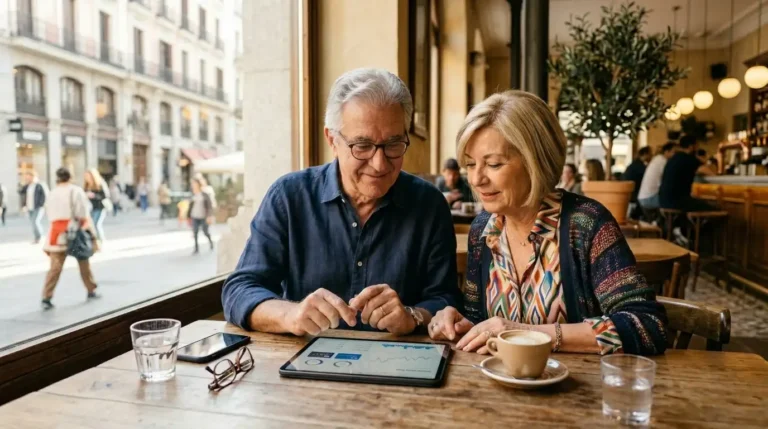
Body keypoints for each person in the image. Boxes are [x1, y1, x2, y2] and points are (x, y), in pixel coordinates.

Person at [222, 68, 460, 337]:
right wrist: (290, 315)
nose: (379, 164)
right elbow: (239, 290)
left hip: (400, 357)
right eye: (362, 145)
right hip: (304, 356)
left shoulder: (429, 205)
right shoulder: (289, 197)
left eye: (393, 144)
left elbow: (446, 299)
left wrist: (412, 316)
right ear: (332, 140)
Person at [427, 90, 667, 356]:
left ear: (536, 162)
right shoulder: (483, 230)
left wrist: (528, 334)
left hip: (578, 382)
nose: (476, 179)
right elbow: (479, 320)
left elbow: (647, 325)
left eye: (493, 164)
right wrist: (457, 322)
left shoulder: (586, 224)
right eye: (470, 164)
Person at [41, 167, 100, 310]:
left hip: (56, 234)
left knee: (55, 267)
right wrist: (92, 234)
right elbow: (83, 213)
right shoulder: (76, 191)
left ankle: (46, 296)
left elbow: (48, 212)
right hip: (73, 232)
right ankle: (91, 289)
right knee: (83, 262)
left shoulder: (52, 192)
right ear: (70, 177)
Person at [658, 135, 715, 212]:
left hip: (663, 202)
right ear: (691, 146)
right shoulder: (689, 158)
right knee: (716, 210)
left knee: (697, 203)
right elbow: (708, 171)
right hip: (677, 202)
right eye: (697, 145)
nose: (698, 148)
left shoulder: (673, 158)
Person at [637, 142, 676, 210]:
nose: (676, 155)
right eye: (674, 152)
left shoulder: (657, 159)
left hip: (643, 198)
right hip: (649, 199)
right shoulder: (663, 162)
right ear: (666, 152)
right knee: (676, 202)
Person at [188, 178, 214, 254]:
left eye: (195, 184)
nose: (193, 185)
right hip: (194, 216)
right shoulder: (193, 194)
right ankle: (196, 248)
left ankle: (211, 242)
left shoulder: (205, 194)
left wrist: (209, 216)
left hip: (203, 216)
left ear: (199, 184)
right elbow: (190, 207)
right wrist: (188, 216)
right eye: (193, 184)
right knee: (195, 232)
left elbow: (209, 206)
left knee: (205, 231)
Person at [21, 171, 48, 244]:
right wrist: (23, 206)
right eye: (27, 177)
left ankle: (40, 237)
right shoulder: (27, 186)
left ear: (34, 176)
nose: (28, 178)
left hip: (38, 207)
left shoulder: (40, 185)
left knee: (35, 221)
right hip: (29, 207)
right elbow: (22, 195)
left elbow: (45, 195)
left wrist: (42, 204)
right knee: (32, 223)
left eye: (30, 176)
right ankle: (36, 238)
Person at [84, 169, 109, 241]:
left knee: (96, 224)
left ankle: (100, 241)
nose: (87, 178)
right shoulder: (87, 185)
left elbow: (105, 195)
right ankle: (95, 241)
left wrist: (94, 195)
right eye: (86, 176)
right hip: (91, 208)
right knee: (92, 225)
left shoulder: (100, 183)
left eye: (88, 176)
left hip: (100, 207)